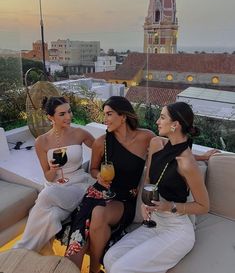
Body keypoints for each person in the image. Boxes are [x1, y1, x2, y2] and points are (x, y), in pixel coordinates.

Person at [103, 101, 210, 273]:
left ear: (175, 125)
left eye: (162, 118)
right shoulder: (156, 144)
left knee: (120, 269)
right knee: (110, 258)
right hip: (154, 222)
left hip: (176, 230)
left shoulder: (187, 163)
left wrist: (169, 206)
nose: (157, 122)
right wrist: (145, 203)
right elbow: (149, 179)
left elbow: (204, 206)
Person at [59, 96, 155, 272]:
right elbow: (93, 169)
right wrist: (99, 177)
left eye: (109, 114)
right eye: (104, 114)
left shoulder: (146, 137)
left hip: (124, 199)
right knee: (78, 235)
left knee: (99, 214)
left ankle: (94, 268)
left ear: (123, 116)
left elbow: (167, 151)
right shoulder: (101, 142)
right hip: (97, 193)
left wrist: (201, 157)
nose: (105, 119)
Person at [14, 96, 95, 253]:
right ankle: (25, 253)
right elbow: (48, 176)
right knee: (51, 217)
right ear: (50, 117)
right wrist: (52, 170)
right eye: (62, 114)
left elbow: (101, 149)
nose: (69, 116)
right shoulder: (41, 141)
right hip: (56, 186)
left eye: (69, 112)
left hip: (78, 185)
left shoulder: (80, 133)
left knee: (46, 195)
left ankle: (20, 250)